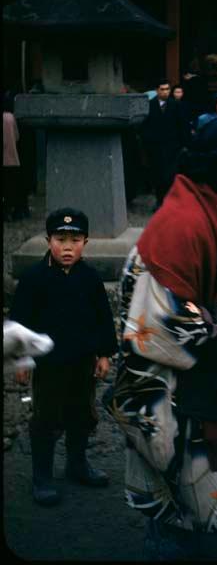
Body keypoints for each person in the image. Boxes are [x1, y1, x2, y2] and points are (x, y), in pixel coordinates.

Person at [105, 118, 217, 560]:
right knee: (180, 521)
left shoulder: (198, 205)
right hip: (168, 395)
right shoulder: (181, 226)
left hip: (188, 389)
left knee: (200, 514)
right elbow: (155, 330)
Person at [10, 207, 119, 506]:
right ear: (48, 241)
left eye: (75, 240)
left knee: (82, 414)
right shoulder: (34, 279)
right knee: (46, 418)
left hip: (82, 361)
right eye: (60, 239)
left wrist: (105, 354)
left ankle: (77, 464)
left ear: (86, 241)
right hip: (48, 364)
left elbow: (102, 319)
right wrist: (22, 360)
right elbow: (19, 323)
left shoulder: (91, 278)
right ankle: (42, 476)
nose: (67, 247)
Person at [140, 77, 190, 209]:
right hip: (155, 146)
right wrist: (148, 143)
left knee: (170, 175)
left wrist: (185, 144)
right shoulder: (150, 105)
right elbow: (144, 126)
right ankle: (159, 200)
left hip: (172, 146)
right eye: (162, 89)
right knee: (157, 175)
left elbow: (183, 126)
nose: (165, 92)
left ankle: (169, 201)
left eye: (168, 89)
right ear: (157, 90)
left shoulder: (176, 105)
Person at [3, 90, 30, 220]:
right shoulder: (11, 118)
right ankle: (16, 211)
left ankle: (7, 211)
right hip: (13, 158)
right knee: (14, 187)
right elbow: (17, 136)